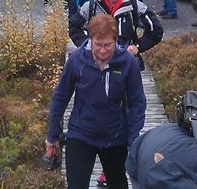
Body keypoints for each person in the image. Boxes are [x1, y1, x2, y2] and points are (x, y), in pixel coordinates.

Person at [46, 14, 146, 189]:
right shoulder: (76, 60)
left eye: (107, 45)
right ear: (90, 39)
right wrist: (52, 134)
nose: (102, 50)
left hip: (115, 137)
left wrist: (133, 140)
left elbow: (137, 102)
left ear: (115, 41)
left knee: (118, 185)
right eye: (98, 45)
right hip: (81, 134)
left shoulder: (128, 63)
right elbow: (60, 97)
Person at [69, 0, 163, 70]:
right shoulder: (91, 7)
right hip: (97, 65)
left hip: (126, 64)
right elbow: (73, 27)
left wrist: (137, 46)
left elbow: (156, 31)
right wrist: (88, 45)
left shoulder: (135, 6)